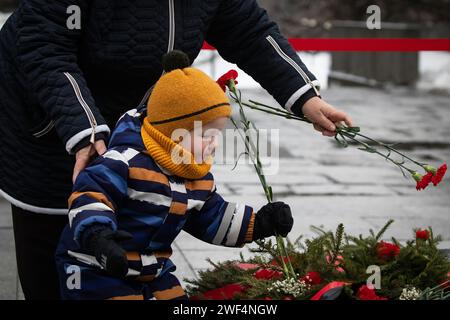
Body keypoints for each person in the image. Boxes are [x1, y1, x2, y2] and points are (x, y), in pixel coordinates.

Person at [0, 0, 353, 299]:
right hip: (52, 118)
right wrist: (84, 129)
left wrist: (304, 96)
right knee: (62, 261)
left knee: (139, 220)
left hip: (145, 121)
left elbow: (246, 28)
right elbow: (43, 43)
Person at [55, 51, 294, 300]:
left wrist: (260, 224)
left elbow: (214, 217)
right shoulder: (124, 161)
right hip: (96, 265)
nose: (214, 143)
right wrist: (99, 237)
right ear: (172, 132)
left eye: (218, 134)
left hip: (151, 270)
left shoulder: (196, 178)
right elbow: (91, 195)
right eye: (206, 135)